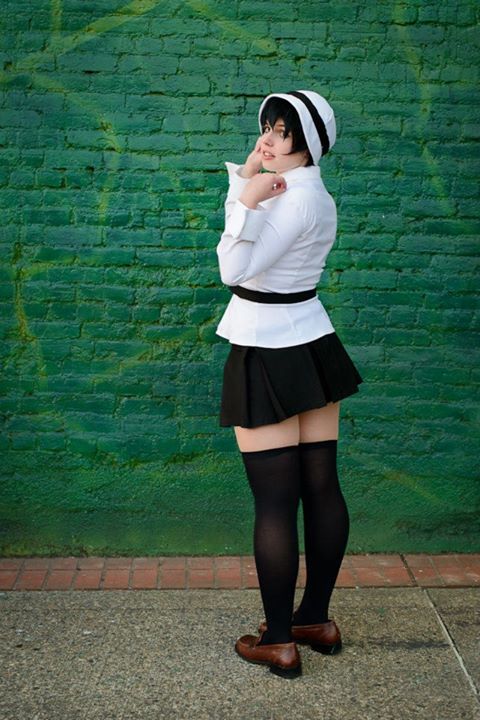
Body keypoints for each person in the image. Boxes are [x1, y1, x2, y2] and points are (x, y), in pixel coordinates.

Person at [215, 90, 363, 679]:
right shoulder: (315, 195)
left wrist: (247, 198)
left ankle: (278, 639)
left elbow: (233, 268)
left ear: (308, 144)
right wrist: (247, 184)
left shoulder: (287, 199)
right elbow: (259, 245)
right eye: (268, 128)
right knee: (321, 486)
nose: (267, 139)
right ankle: (314, 620)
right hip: (311, 340)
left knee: (277, 501)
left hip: (266, 344)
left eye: (282, 132)